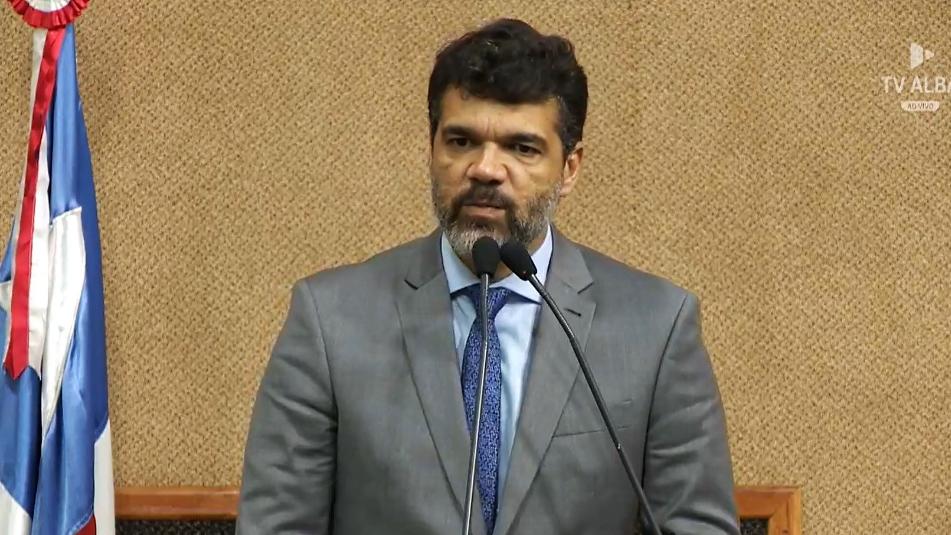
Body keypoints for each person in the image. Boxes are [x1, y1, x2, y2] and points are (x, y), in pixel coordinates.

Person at [237, 18, 739, 535]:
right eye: (461, 141)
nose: (485, 169)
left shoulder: (656, 327)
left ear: (569, 168)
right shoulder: (330, 321)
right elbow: (276, 525)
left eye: (522, 148)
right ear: (432, 148)